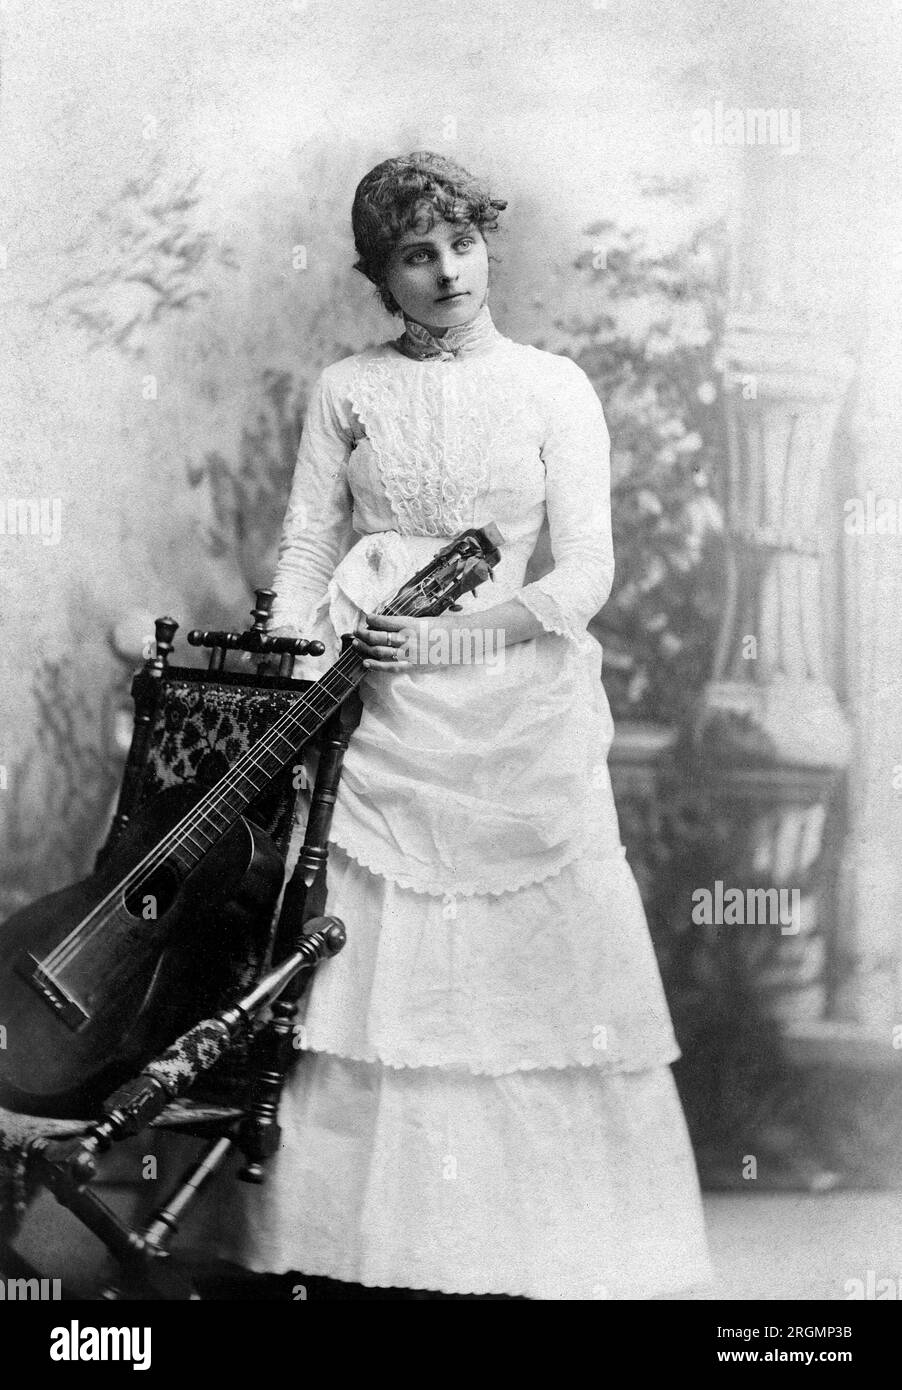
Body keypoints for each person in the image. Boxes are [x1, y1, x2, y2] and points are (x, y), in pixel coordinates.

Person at [210, 151, 714, 1300]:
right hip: (371, 702)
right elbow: (304, 546)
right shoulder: (346, 387)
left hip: (512, 703)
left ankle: (555, 1252)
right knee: (371, 964)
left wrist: (456, 638)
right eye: (415, 256)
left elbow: (586, 568)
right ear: (380, 278)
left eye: (461, 244)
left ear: (487, 244)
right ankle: (359, 1252)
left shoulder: (552, 385)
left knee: (527, 967)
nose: (446, 272)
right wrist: (294, 667)